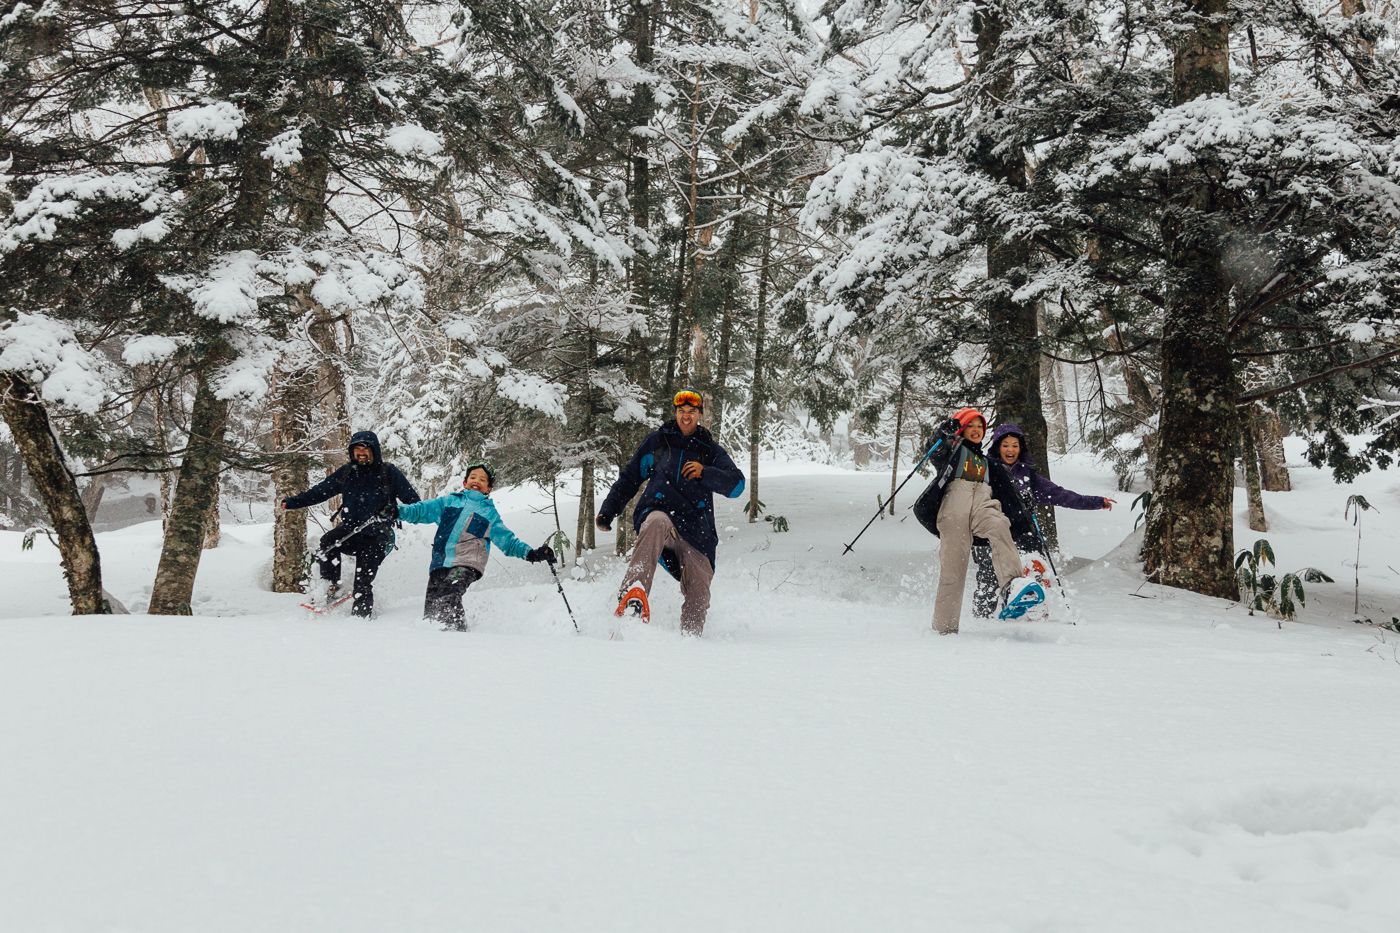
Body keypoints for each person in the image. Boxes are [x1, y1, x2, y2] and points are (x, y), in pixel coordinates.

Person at [596, 388, 746, 635]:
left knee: (699, 592)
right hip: (661, 518)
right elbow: (629, 479)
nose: (685, 417)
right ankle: (633, 597)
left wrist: (704, 472)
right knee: (655, 520)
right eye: (681, 411)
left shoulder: (709, 450)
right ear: (675, 413)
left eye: (691, 412)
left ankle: (690, 641)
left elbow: (737, 486)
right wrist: (608, 511)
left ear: (700, 414)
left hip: (697, 532)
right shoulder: (658, 442)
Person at [911, 408, 1044, 634]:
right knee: (954, 569)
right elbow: (933, 450)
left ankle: (1013, 587)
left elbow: (1006, 492)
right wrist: (941, 433)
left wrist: (1023, 504)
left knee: (999, 524)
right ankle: (944, 629)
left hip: (983, 504)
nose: (976, 430)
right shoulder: (951, 451)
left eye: (980, 426)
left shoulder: (989, 463)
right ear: (962, 428)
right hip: (955, 508)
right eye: (971, 426)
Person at [970, 423, 1117, 618]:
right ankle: (981, 621)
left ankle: (1028, 610)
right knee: (989, 578)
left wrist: (1096, 502)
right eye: (1005, 445)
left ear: (1020, 448)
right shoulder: (985, 469)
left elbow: (1060, 495)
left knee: (1033, 565)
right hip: (989, 534)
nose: (1010, 450)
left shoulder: (1028, 475)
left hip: (1021, 532)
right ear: (997, 447)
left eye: (1015, 445)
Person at [395, 459, 555, 630]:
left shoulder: (489, 514)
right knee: (432, 609)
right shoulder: (448, 502)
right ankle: (436, 643)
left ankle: (457, 636)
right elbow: (421, 510)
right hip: (440, 564)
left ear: (489, 489)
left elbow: (508, 542)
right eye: (473, 477)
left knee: (449, 593)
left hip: (467, 564)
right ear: (465, 482)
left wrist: (532, 553)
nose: (477, 481)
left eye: (482, 479)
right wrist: (396, 511)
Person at [281, 431, 420, 617]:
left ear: (374, 451)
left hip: (378, 536)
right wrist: (294, 502)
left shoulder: (388, 472)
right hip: (350, 531)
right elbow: (321, 491)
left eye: (365, 449)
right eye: (357, 449)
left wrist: (392, 511)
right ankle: (331, 586)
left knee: (362, 580)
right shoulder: (348, 472)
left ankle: (361, 617)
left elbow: (414, 502)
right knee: (328, 541)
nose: (361, 453)